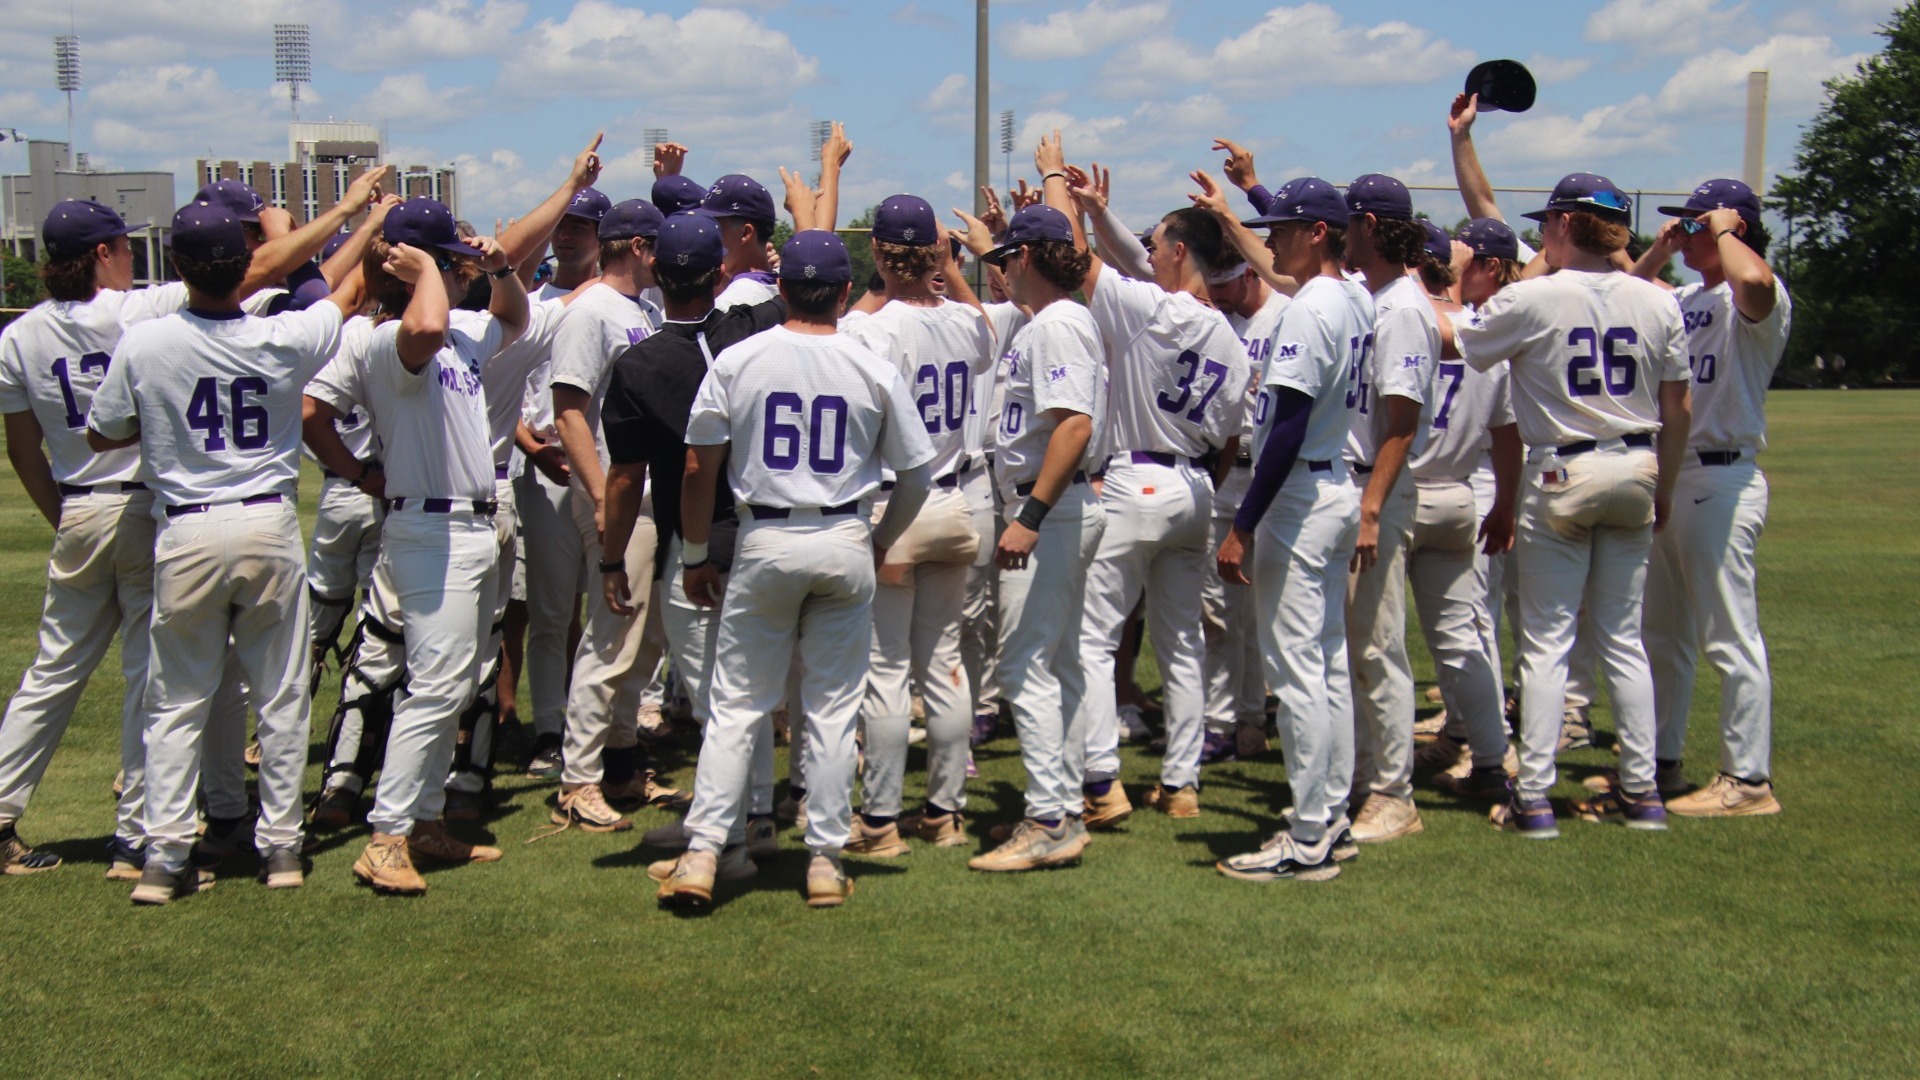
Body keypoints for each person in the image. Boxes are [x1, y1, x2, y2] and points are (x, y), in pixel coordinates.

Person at [0, 186, 370, 879]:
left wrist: (66, 517)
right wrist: (347, 213)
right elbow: (274, 278)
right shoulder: (137, 311)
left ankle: (5, 812)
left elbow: (25, 451)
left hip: (82, 504)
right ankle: (140, 838)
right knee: (163, 682)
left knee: (54, 673)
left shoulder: (18, 333)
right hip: (161, 505)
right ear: (104, 254)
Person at [652, 231, 934, 909]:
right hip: (842, 530)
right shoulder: (869, 364)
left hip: (766, 536)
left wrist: (693, 554)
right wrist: (880, 538)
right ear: (844, 291)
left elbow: (697, 466)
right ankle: (824, 861)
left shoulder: (739, 357)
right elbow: (918, 475)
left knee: (737, 705)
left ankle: (702, 853)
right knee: (833, 710)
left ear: (782, 290)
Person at [1454, 173, 1691, 838]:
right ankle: (1642, 793)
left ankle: (1533, 799)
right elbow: (1680, 406)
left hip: (1561, 468)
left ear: (1561, 225)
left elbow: (1469, 347)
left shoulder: (1533, 295)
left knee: (1548, 640)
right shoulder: (1657, 301)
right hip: (1638, 462)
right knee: (1623, 639)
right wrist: (1665, 485)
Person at [322, 197, 531, 894]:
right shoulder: (386, 338)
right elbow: (313, 411)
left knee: (459, 679)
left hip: (471, 524)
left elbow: (513, 319)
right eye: (450, 262)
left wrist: (501, 268)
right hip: (427, 528)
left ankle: (427, 821)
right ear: (418, 267)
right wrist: (357, 473)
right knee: (436, 683)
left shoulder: (460, 329)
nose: (460, 271)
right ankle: (386, 837)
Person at [1046, 133, 1250, 822]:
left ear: (1181, 253)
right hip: (1196, 489)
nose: (1153, 252)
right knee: (1182, 644)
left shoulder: (1151, 308)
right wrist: (1100, 212)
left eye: (1160, 244)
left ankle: (1103, 781)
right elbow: (1228, 442)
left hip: (1136, 480)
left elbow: (1076, 265)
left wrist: (1059, 190)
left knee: (1093, 639)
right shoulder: (1232, 339)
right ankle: (1182, 784)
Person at [1198, 176, 1370, 882]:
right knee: (1325, 667)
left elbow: (1288, 424)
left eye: (1285, 226)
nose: (1272, 238)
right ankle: (1329, 819)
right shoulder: (1352, 296)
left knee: (1299, 676)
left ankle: (1305, 840)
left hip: (1301, 493)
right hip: (1337, 487)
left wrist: (1243, 523)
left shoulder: (1309, 310)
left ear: (1319, 233)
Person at [601, 214, 788, 864]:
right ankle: (753, 816)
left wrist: (610, 557)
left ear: (654, 270)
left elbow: (624, 480)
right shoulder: (753, 329)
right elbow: (811, 281)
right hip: (766, 532)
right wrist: (819, 186)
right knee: (749, 692)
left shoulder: (640, 362)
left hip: (698, 544)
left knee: (719, 700)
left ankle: (726, 832)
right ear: (719, 272)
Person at [835, 195, 996, 857]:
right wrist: (949, 268)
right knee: (946, 666)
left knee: (887, 670)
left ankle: (879, 821)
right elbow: (984, 328)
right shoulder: (964, 321)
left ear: (877, 252)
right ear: (934, 253)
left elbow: (849, 338)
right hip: (956, 504)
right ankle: (946, 812)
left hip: (895, 508)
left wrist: (894, 279)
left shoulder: (869, 328)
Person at [1634, 178, 1789, 816]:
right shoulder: (1689, 295)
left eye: (1698, 224)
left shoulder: (1759, 295)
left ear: (1734, 230)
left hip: (1724, 474)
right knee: (1660, 634)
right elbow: (1630, 297)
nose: (1688, 233)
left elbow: (1752, 285)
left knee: (1728, 635)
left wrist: (1722, 229)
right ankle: (1662, 764)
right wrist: (1663, 247)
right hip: (1675, 473)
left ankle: (1748, 780)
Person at [967, 203, 1108, 871]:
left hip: (1046, 510)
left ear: (1026, 257)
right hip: (1058, 506)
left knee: (1026, 664)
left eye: (1004, 259)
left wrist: (1030, 517)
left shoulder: (1058, 323)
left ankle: (1049, 818)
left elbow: (1072, 426)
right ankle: (1067, 807)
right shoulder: (1052, 321)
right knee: (1061, 662)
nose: (1000, 273)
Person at [549, 198, 678, 833]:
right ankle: (577, 779)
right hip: (616, 493)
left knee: (645, 640)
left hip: (651, 497)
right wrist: (602, 497)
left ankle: (622, 760)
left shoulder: (646, 310)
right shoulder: (589, 310)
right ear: (635, 246)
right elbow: (568, 411)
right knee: (609, 636)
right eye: (659, 245)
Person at [1334, 174, 1439, 845]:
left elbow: (1403, 417)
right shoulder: (1378, 297)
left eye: (1347, 223)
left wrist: (1371, 508)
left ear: (1369, 226)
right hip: (1365, 485)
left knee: (1377, 645)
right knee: (1354, 647)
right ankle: (1367, 782)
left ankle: (1394, 796)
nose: (1341, 233)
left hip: (1379, 485)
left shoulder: (1401, 305)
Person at [1403, 221, 1521, 801]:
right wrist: (1506, 504)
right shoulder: (1485, 332)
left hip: (1399, 493)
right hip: (1461, 494)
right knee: (1462, 639)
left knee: (1372, 641)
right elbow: (1507, 434)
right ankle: (1494, 763)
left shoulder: (1399, 319)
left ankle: (1375, 775)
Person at [1202, 263, 1287, 760]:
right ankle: (1224, 721)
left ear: (1250, 273)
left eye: (1223, 282)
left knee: (1260, 610)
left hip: (1268, 476)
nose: (1214, 293)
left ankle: (1250, 717)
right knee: (1217, 610)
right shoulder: (1222, 321)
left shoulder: (1285, 314)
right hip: (1224, 472)